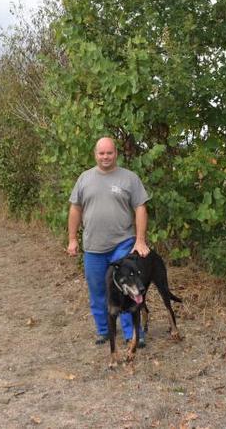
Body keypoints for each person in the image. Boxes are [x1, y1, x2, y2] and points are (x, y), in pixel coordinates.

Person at [67, 137, 151, 345]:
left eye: (109, 153)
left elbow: (140, 207)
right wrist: (71, 239)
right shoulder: (84, 179)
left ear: (116, 154)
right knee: (97, 290)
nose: (105, 157)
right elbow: (75, 208)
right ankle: (104, 330)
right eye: (101, 153)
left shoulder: (129, 178)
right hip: (94, 247)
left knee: (129, 289)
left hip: (123, 243)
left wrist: (140, 240)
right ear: (95, 154)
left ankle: (133, 333)